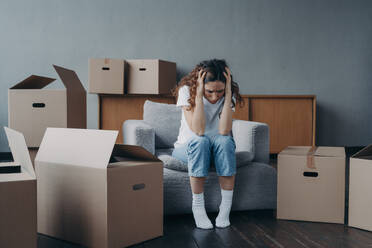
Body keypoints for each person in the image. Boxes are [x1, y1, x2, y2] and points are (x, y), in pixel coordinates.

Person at [172, 59, 243, 229]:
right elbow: (198, 130)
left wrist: (227, 97)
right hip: (189, 147)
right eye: (209, 91)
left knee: (225, 141)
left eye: (219, 91)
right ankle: (198, 207)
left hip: (217, 148)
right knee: (200, 141)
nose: (214, 96)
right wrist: (197, 95)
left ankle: (225, 209)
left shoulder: (226, 94)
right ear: (200, 84)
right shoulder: (186, 91)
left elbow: (225, 130)